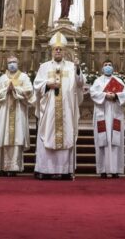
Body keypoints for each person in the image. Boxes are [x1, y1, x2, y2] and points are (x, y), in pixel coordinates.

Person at [33, 32, 85, 180]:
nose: (57, 51)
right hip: (49, 109)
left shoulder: (71, 66)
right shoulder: (44, 67)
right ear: (51, 51)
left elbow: (80, 83)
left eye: (60, 49)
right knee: (47, 135)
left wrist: (78, 69)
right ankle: (45, 169)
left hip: (66, 109)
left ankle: (64, 170)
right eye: (55, 49)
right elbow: (36, 85)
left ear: (64, 51)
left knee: (66, 134)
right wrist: (48, 84)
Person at [0, 55, 35, 176]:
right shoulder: (1, 79)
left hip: (18, 110)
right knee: (3, 137)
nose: (12, 64)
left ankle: (14, 167)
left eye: (14, 62)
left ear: (18, 63)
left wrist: (15, 89)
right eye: (9, 62)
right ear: (6, 64)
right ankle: (1, 167)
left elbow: (29, 92)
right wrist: (6, 89)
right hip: (5, 111)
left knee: (17, 138)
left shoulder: (24, 77)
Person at [89, 59, 125, 177]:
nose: (108, 67)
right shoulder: (97, 81)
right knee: (103, 141)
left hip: (115, 113)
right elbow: (93, 93)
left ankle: (116, 170)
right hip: (102, 113)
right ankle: (103, 170)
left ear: (113, 68)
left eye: (110, 65)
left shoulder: (118, 81)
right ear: (102, 68)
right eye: (105, 65)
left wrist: (116, 95)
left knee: (116, 141)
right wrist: (106, 95)